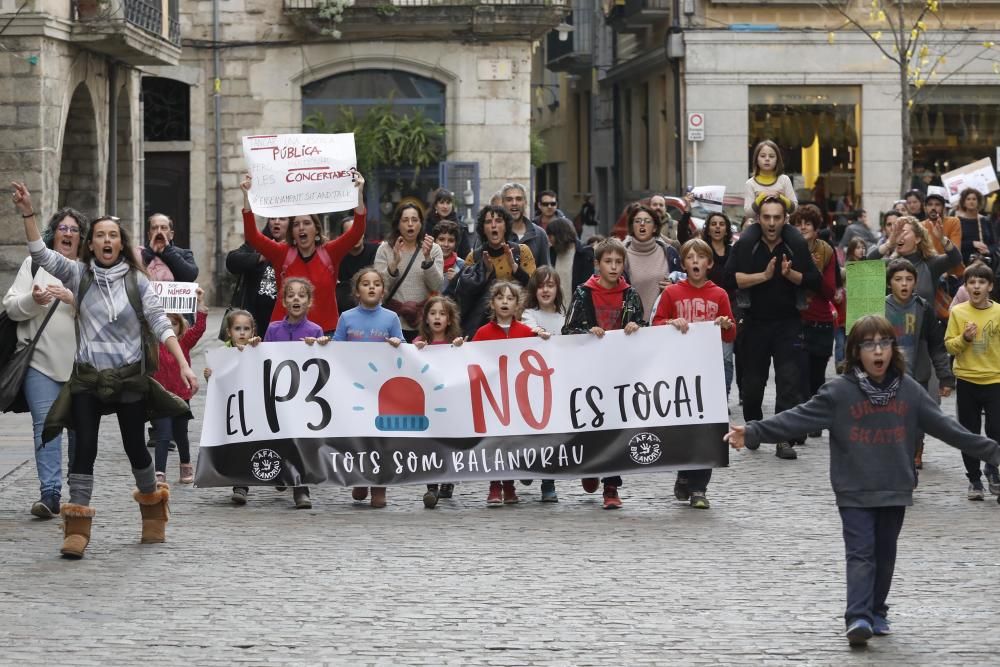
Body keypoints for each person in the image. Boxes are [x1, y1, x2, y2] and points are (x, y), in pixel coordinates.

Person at [725, 314, 1000, 646]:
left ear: (892, 349)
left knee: (884, 554)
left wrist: (993, 452)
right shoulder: (839, 392)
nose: (878, 350)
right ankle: (857, 616)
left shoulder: (910, 391)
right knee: (860, 553)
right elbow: (797, 418)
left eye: (884, 343)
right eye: (869, 344)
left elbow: (949, 429)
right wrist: (754, 430)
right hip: (853, 488)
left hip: (895, 486)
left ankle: (876, 609)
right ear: (856, 351)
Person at [11, 182, 196, 559]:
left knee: (134, 448)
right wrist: (28, 214)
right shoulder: (78, 275)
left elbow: (160, 323)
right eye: (100, 236)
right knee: (85, 449)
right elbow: (40, 254)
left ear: (121, 243)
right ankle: (76, 528)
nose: (107, 241)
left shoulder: (138, 282)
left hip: (128, 378)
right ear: (91, 245)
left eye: (113, 235)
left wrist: (181, 362)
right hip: (88, 379)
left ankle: (153, 510)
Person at [2, 206, 86, 518]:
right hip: (39, 362)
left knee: (81, 430)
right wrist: (33, 301)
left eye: (74, 229)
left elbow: (108, 316)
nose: (67, 233)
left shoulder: (88, 270)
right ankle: (49, 493)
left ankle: (77, 488)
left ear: (81, 237)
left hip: (81, 366)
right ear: (54, 234)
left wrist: (72, 298)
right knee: (45, 427)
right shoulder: (34, 265)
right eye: (62, 228)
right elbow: (11, 308)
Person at [725, 192, 822, 460]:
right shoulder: (746, 245)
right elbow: (729, 278)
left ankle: (782, 438)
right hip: (755, 322)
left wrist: (791, 275)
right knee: (753, 386)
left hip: (788, 323)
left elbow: (815, 280)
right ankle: (754, 429)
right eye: (766, 217)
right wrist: (764, 276)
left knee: (788, 382)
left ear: (785, 219)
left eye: (776, 218)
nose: (771, 223)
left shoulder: (795, 245)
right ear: (758, 218)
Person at [653, 238, 736, 509]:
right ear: (684, 263)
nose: (696, 262)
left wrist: (724, 324)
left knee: (707, 427)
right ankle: (684, 475)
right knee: (684, 426)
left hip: (709, 371)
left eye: (701, 257)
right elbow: (655, 325)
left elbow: (731, 332)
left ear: (710, 263)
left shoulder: (719, 295)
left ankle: (700, 486)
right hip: (680, 371)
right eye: (690, 257)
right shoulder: (672, 294)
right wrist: (670, 322)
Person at [563, 238, 645, 508]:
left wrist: (635, 327)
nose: (613, 267)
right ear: (597, 264)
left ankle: (611, 486)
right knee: (591, 424)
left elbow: (642, 325)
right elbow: (568, 330)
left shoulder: (629, 294)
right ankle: (590, 467)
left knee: (616, 428)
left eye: (618, 262)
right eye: (608, 262)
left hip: (619, 372)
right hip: (588, 372)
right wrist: (587, 331)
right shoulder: (583, 293)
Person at [239, 170, 366, 335]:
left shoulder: (330, 251)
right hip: (286, 331)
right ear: (292, 232)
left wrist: (359, 194)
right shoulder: (282, 252)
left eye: (306, 223)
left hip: (324, 332)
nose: (301, 228)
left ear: (316, 229)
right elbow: (253, 237)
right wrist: (247, 197)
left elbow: (357, 231)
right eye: (296, 224)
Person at [471, 281, 550, 506]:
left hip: (518, 398)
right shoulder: (483, 333)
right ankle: (495, 485)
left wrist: (543, 339)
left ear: (518, 304)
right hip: (493, 398)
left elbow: (541, 356)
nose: (505, 302)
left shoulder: (526, 332)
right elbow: (472, 361)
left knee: (513, 442)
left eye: (510, 298)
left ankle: (509, 484)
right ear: (492, 303)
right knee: (495, 441)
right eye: (500, 298)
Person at [333, 267, 404, 508]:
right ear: (357, 291)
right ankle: (360, 478)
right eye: (366, 283)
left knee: (380, 438)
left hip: (381, 389)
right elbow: (336, 349)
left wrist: (397, 344)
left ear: (383, 290)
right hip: (354, 389)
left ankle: (379, 485)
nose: (371, 287)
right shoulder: (346, 318)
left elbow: (404, 350)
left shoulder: (391, 318)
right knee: (358, 438)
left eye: (376, 283)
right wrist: (322, 343)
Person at [262, 277, 328, 509]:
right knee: (281, 439)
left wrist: (320, 345)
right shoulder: (273, 329)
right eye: (291, 295)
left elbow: (322, 364)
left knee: (300, 442)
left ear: (309, 302)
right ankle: (280, 471)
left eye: (301, 295)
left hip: (303, 398)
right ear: (283, 302)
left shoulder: (315, 330)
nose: (296, 298)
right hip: (278, 396)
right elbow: (264, 359)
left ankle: (301, 489)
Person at [884, 259, 954, 471]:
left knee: (914, 421)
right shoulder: (879, 307)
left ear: (915, 282)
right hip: (887, 377)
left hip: (917, 376)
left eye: (909, 279)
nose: (904, 284)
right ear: (889, 283)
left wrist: (945, 377)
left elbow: (937, 346)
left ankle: (915, 450)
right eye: (898, 280)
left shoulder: (923, 308)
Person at [943, 262, 1000, 500]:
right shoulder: (958, 312)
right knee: (969, 432)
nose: (976, 286)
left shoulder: (998, 312)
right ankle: (974, 480)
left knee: (996, 429)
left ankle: (992, 468)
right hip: (967, 378)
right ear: (966, 286)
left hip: (995, 378)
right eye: (972, 282)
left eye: (981, 282)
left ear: (990, 286)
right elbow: (949, 345)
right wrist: (964, 339)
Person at [448, 205, 536, 337]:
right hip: (483, 328)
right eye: (488, 222)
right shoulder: (474, 257)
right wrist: (487, 273)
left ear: (506, 226)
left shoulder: (522, 251)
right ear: (483, 229)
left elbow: (533, 286)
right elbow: (466, 298)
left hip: (518, 326)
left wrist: (514, 266)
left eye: (499, 221)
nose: (493, 225)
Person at [413, 296, 465, 508]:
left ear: (450, 320)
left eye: (442, 314)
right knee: (430, 443)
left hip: (449, 402)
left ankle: (448, 479)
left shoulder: (455, 343)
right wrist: (416, 349)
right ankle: (431, 485)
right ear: (426, 319)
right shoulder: (420, 343)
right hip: (428, 404)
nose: (437, 317)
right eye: (433, 313)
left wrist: (461, 348)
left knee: (449, 442)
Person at [152, 290, 207, 485]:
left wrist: (200, 306)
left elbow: (199, 329)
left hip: (181, 396)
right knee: (163, 434)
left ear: (180, 326)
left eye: (174, 324)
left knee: (181, 434)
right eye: (166, 323)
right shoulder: (152, 344)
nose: (170, 327)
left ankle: (186, 465)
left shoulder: (184, 342)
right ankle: (159, 472)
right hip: (159, 396)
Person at [206, 309, 260, 506]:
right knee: (237, 447)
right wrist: (209, 375)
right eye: (238, 329)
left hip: (255, 408)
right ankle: (240, 485)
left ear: (253, 331)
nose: (242, 333)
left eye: (247, 329)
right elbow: (216, 383)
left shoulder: (258, 350)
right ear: (229, 332)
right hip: (233, 410)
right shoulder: (221, 354)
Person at [793, 205, 839, 432]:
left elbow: (830, 290)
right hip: (796, 320)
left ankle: (815, 420)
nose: (802, 227)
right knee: (799, 374)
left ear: (815, 227)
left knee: (816, 377)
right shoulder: (789, 248)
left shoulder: (826, 251)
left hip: (821, 320)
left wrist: (806, 274)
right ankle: (803, 422)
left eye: (807, 223)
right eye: (798, 223)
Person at [374, 203, 444, 342]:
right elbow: (379, 288)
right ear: (398, 224)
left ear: (421, 223)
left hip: (423, 322)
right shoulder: (385, 249)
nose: (410, 224)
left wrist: (427, 258)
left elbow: (436, 286)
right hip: (392, 322)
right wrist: (394, 263)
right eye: (405, 220)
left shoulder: (433, 248)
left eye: (415, 220)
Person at [868, 216, 961, 305]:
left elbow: (956, 258)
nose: (898, 236)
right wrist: (888, 244)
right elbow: (867, 263)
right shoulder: (890, 264)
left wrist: (942, 239)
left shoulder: (930, 263)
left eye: (903, 232)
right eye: (896, 233)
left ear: (917, 238)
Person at [225, 215, 288, 332]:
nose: (276, 222)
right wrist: (260, 257)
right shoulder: (257, 243)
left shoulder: (295, 249)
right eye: (273, 218)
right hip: (253, 322)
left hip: (282, 322)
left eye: (282, 219)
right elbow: (231, 261)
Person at [623, 204, 681, 322]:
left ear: (655, 228)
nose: (642, 224)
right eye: (637, 221)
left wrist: (674, 288)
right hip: (633, 328)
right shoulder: (622, 255)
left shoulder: (669, 253)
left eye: (647, 221)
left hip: (665, 326)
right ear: (632, 227)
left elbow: (684, 287)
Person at [546, 217, 594, 312]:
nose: (549, 239)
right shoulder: (551, 253)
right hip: (554, 311)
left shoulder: (584, 254)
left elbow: (587, 287)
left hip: (578, 311)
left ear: (559, 235)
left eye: (550, 235)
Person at [334, 215, 377, 314]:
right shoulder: (336, 256)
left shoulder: (375, 251)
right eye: (350, 233)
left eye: (358, 232)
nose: (355, 236)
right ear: (342, 237)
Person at [743, 140, 798, 218]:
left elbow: (794, 208)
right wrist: (762, 197)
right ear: (756, 159)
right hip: (757, 226)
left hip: (783, 225)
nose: (767, 159)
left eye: (771, 156)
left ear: (777, 160)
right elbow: (748, 213)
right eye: (763, 156)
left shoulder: (784, 180)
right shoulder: (750, 183)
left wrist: (779, 197)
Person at [140, 213, 198, 283]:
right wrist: (149, 253)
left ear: (171, 235)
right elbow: (132, 275)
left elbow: (190, 276)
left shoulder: (184, 254)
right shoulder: (139, 254)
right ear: (149, 235)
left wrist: (168, 251)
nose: (159, 232)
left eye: (163, 228)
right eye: (154, 228)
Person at [502, 182, 550, 267]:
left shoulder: (540, 234)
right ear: (502, 203)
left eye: (519, 199)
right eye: (509, 199)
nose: (514, 203)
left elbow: (544, 271)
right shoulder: (491, 233)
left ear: (525, 202)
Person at [955, 188, 997, 268]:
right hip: (964, 263)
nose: (971, 201)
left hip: (984, 263)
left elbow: (994, 243)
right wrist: (972, 243)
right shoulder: (958, 221)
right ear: (963, 202)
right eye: (968, 199)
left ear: (978, 202)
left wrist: (988, 250)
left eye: (974, 199)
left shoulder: (985, 220)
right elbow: (955, 244)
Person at [425, 187, 470, 259]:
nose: (445, 206)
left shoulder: (461, 227)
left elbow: (466, 255)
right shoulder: (426, 226)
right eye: (442, 202)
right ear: (435, 206)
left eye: (448, 203)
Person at [433, 220, 464, 292]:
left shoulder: (462, 266)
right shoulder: (428, 263)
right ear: (434, 241)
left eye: (451, 240)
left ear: (456, 243)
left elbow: (466, 295)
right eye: (441, 239)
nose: (446, 244)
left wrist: (457, 282)